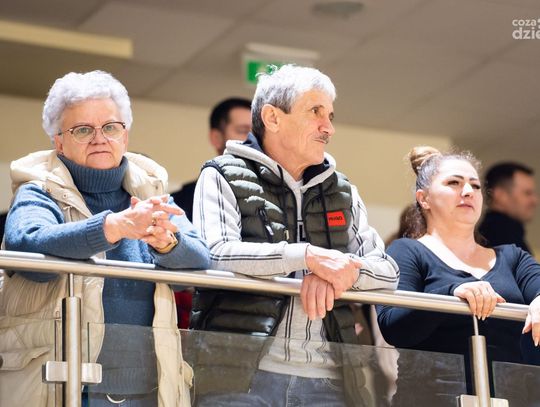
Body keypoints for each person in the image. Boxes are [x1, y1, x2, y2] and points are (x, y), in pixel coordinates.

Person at [190, 64, 399, 406]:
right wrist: (305, 257)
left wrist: (341, 272)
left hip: (330, 385)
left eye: (330, 115)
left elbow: (388, 273)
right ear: (272, 118)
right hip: (237, 378)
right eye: (315, 112)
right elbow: (214, 254)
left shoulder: (343, 191)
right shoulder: (220, 174)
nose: (329, 127)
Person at [0, 70, 210, 407]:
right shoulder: (37, 189)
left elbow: (201, 257)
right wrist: (113, 227)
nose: (99, 138)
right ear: (58, 142)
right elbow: (26, 245)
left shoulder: (150, 189)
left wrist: (167, 244)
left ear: (125, 136)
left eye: (110, 127)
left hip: (150, 390)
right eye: (83, 130)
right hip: (69, 387)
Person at [377, 146, 540, 405]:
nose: (467, 191)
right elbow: (393, 327)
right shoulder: (406, 250)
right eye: (454, 183)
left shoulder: (513, 257)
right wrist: (450, 294)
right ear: (424, 199)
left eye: (475, 186)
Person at [171, 97, 251, 222]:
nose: (253, 139)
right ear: (216, 138)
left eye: (259, 132)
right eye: (243, 131)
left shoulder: (276, 195)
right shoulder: (180, 205)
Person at [478, 162, 538, 254]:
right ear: (500, 195)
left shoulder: (484, 234)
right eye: (527, 193)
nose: (535, 201)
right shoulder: (505, 237)